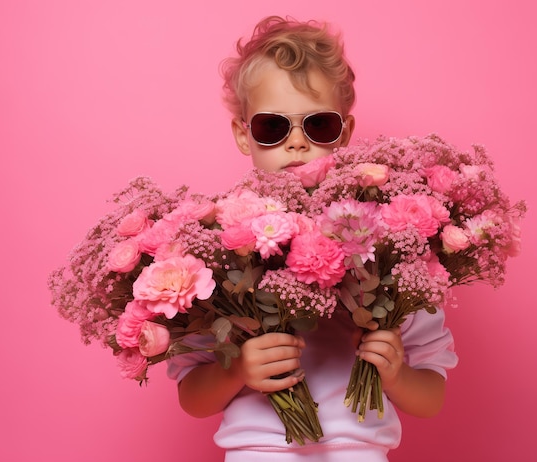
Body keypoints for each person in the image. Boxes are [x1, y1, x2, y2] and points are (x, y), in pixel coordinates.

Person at [168, 16, 458, 461]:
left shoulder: (391, 246)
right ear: (243, 135)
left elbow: (432, 398)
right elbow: (193, 399)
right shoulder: (217, 251)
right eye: (272, 127)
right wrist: (238, 369)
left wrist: (397, 373)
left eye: (318, 125)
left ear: (345, 131)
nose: (297, 144)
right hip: (257, 453)